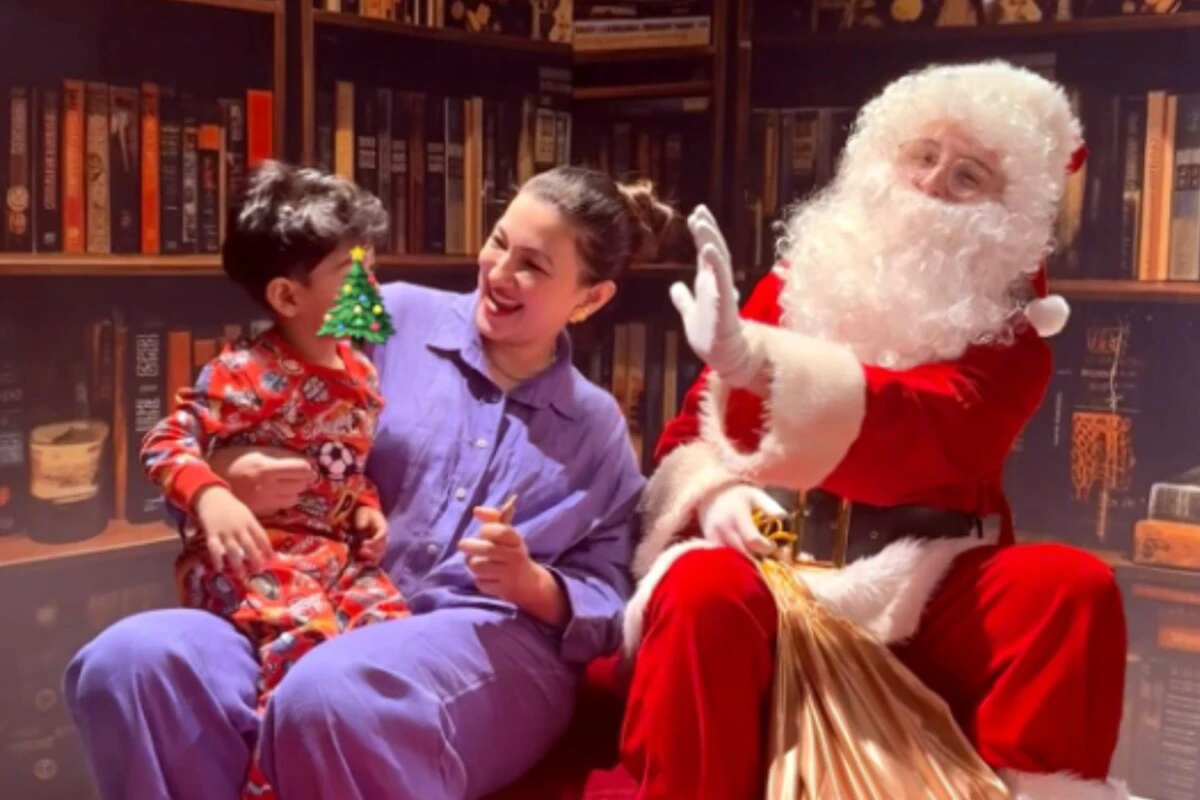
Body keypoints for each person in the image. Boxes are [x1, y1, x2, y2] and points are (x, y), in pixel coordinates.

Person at [63, 165, 681, 800]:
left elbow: (611, 597)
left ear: (590, 298)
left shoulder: (595, 424)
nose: (498, 272)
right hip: (315, 598)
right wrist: (224, 477)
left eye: (533, 265)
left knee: (333, 693)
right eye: (499, 241)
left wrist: (532, 583)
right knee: (129, 663)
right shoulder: (387, 314)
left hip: (492, 643)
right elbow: (252, 405)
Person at [620, 61, 1128, 800]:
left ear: (1008, 213)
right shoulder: (791, 287)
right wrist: (716, 495)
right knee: (700, 587)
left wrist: (765, 364)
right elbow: (692, 437)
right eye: (922, 155)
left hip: (926, 578)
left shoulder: (1013, 343)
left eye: (968, 176)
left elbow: (932, 434)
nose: (932, 183)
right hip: (775, 560)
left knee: (1069, 588)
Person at [141, 162, 407, 714]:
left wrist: (364, 506)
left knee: (393, 635)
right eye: (352, 272)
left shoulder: (362, 374)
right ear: (287, 297)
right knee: (307, 645)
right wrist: (211, 497)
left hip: (336, 559)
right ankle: (278, 756)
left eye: (371, 266)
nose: (372, 286)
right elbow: (165, 441)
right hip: (252, 560)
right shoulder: (243, 372)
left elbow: (346, 466)